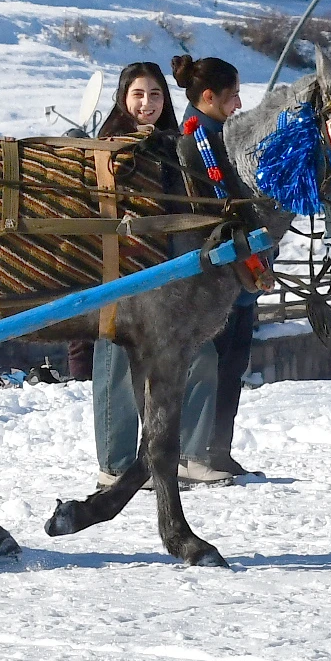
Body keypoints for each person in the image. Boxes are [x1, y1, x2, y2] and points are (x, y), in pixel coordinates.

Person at [88, 61, 230, 488]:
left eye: (155, 95)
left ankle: (189, 454)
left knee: (200, 356)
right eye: (138, 94)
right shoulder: (106, 147)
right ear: (122, 98)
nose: (146, 103)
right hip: (120, 269)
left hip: (170, 275)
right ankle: (114, 465)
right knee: (117, 364)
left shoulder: (180, 145)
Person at [176, 55, 262, 480]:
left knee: (234, 362)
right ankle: (202, 450)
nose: (239, 104)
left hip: (239, 268)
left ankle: (218, 447)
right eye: (232, 97)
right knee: (217, 360)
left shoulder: (222, 134)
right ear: (207, 97)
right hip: (217, 269)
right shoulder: (197, 139)